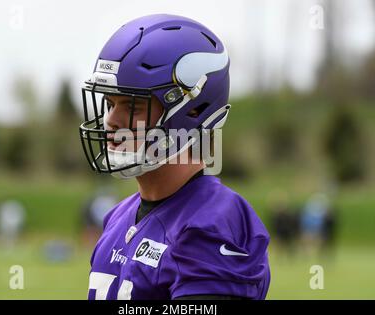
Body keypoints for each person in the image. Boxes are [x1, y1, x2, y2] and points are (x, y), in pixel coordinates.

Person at [79, 14, 270, 300]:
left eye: (132, 105)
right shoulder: (117, 218)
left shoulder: (212, 226)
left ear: (192, 111)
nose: (111, 121)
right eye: (109, 103)